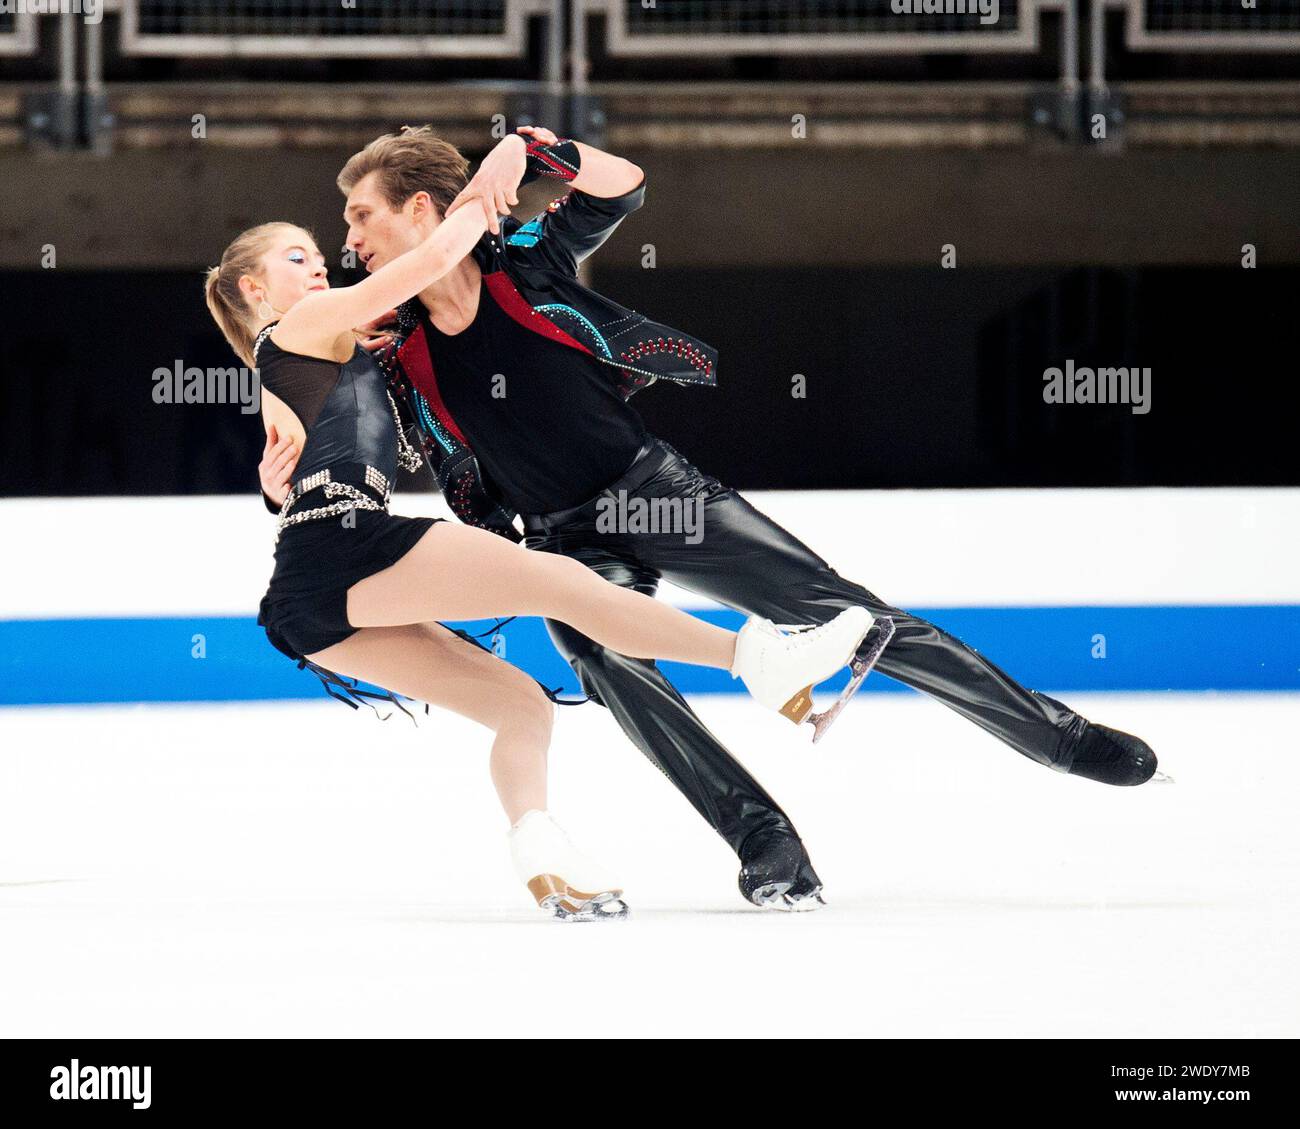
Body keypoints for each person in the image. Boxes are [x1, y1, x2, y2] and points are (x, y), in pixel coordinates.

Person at [260, 124, 1160, 913]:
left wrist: (525, 146)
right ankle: (765, 840)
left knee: (850, 618)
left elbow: (623, 185)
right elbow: (331, 415)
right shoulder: (391, 344)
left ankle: (1055, 735)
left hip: (653, 489)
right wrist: (281, 472)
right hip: (560, 537)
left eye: (361, 219)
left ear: (421, 211)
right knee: (614, 667)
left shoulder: (524, 258)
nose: (349, 242)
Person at [205, 217, 875, 919]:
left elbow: (300, 452)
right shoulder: (307, 321)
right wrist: (481, 193)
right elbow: (429, 259)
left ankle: (543, 852)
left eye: (317, 254)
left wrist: (274, 485)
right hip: (346, 547)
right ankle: (758, 660)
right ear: (255, 287)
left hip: (308, 597)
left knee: (520, 704)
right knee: (561, 582)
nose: (319, 264)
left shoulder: (288, 350)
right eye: (296, 256)